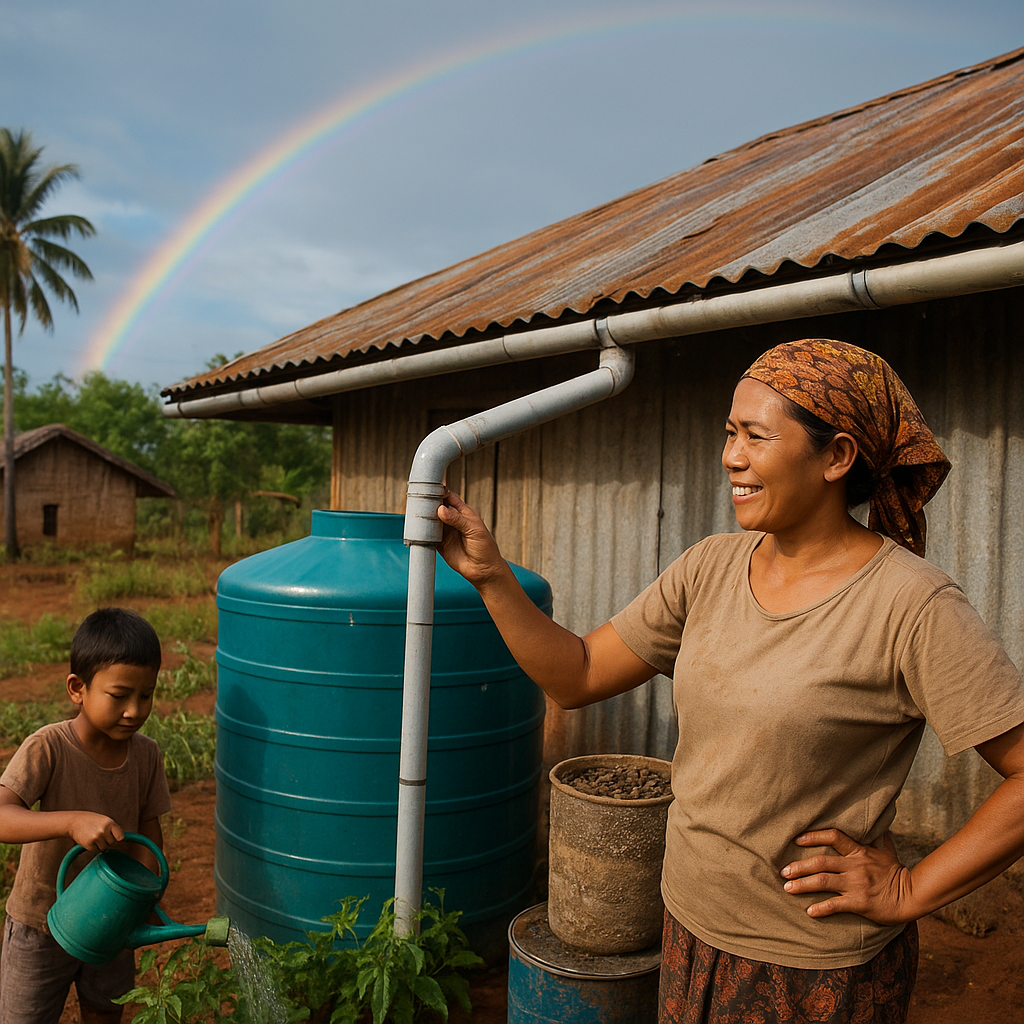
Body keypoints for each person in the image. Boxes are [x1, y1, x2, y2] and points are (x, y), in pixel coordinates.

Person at [436, 338, 1024, 1024]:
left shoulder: (910, 604)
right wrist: (492, 577)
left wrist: (909, 889)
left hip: (812, 967)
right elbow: (579, 673)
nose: (730, 456)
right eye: (728, 433)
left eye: (755, 436)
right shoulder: (710, 567)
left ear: (836, 457)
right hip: (688, 931)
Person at [0, 607, 172, 1024]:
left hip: (112, 924)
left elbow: (149, 835)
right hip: (41, 925)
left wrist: (142, 896)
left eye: (145, 695)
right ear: (78, 689)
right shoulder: (50, 747)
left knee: (105, 1012)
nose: (134, 710)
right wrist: (70, 820)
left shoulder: (146, 755)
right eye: (119, 696)